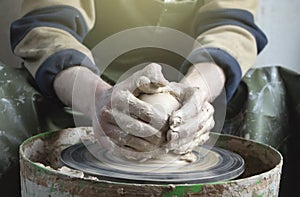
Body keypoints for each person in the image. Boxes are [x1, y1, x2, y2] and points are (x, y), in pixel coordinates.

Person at [3, 0, 267, 195]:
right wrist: (99, 99)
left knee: (280, 93)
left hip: (195, 80)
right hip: (80, 82)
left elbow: (232, 27)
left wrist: (198, 93)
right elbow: (48, 26)